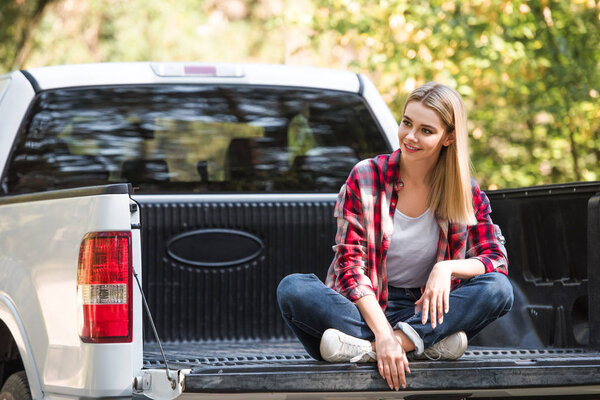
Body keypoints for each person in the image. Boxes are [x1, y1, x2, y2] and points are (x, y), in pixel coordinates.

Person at [276, 82, 514, 391]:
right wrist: (385, 335)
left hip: (424, 312)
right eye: (407, 123)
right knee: (293, 289)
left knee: (498, 289)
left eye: (426, 130)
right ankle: (422, 346)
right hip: (365, 309)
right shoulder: (365, 176)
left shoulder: (464, 190)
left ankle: (366, 350)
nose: (410, 136)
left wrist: (447, 269)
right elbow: (350, 269)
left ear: (449, 137)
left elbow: (495, 258)